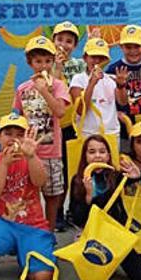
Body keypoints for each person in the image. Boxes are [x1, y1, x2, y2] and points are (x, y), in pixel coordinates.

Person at [0, 114, 55, 280]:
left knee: (43, 277)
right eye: (8, 133)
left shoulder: (31, 158)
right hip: (3, 221)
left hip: (33, 224)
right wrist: (4, 164)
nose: (14, 138)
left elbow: (40, 182)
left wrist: (32, 156)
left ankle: (24, 252)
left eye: (19, 134)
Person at [67, 134, 141, 280]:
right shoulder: (77, 180)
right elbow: (77, 218)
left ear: (109, 155)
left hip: (114, 232)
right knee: (94, 279)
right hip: (91, 233)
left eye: (102, 151)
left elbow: (134, 180)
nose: (97, 156)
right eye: (92, 152)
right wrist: (89, 196)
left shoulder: (115, 176)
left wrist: (137, 175)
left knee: (139, 276)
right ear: (85, 156)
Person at [13, 35, 71, 232]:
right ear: (30, 63)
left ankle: (50, 230)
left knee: (52, 196)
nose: (43, 66)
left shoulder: (58, 85)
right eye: (38, 61)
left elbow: (61, 112)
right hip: (29, 153)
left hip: (51, 152)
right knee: (28, 194)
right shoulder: (22, 89)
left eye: (47, 61)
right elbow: (19, 118)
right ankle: (32, 230)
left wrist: (45, 91)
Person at [51, 20, 85, 230]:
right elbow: (51, 86)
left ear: (75, 45)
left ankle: (75, 210)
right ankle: (57, 213)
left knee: (76, 170)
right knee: (59, 172)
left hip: (77, 125)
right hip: (56, 126)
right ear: (53, 41)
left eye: (69, 41)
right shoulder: (47, 62)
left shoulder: (80, 64)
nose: (64, 44)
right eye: (60, 39)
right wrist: (58, 65)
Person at [70, 37, 121, 140]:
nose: (97, 61)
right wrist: (92, 83)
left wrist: (122, 85)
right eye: (93, 57)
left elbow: (123, 103)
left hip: (111, 135)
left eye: (101, 57)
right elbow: (80, 110)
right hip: (87, 135)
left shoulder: (111, 79)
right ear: (85, 58)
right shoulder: (78, 79)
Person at [106, 24, 141, 131]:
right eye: (128, 47)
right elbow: (119, 103)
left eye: (137, 46)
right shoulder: (113, 70)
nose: (133, 51)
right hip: (123, 128)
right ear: (121, 46)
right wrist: (120, 85)